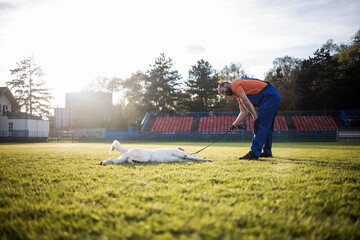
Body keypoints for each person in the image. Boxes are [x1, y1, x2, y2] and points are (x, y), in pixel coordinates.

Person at [217, 78, 281, 160]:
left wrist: (255, 115)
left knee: (260, 123)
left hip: (269, 96)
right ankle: (267, 152)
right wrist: (234, 125)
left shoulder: (235, 85)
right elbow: (243, 112)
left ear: (225, 84)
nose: (225, 94)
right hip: (272, 97)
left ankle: (254, 153)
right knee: (267, 126)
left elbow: (246, 100)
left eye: (223, 91)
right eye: (223, 94)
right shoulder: (238, 94)